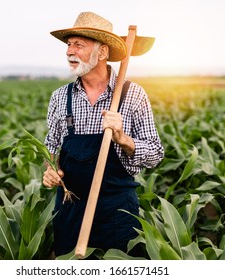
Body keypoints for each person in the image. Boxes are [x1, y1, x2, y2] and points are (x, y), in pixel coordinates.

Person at [43, 11, 164, 257]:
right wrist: (50, 171)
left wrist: (123, 139)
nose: (69, 51)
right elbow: (50, 149)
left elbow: (155, 154)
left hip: (117, 212)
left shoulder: (133, 95)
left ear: (102, 52)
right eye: (68, 44)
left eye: (79, 44)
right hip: (71, 210)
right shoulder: (60, 97)